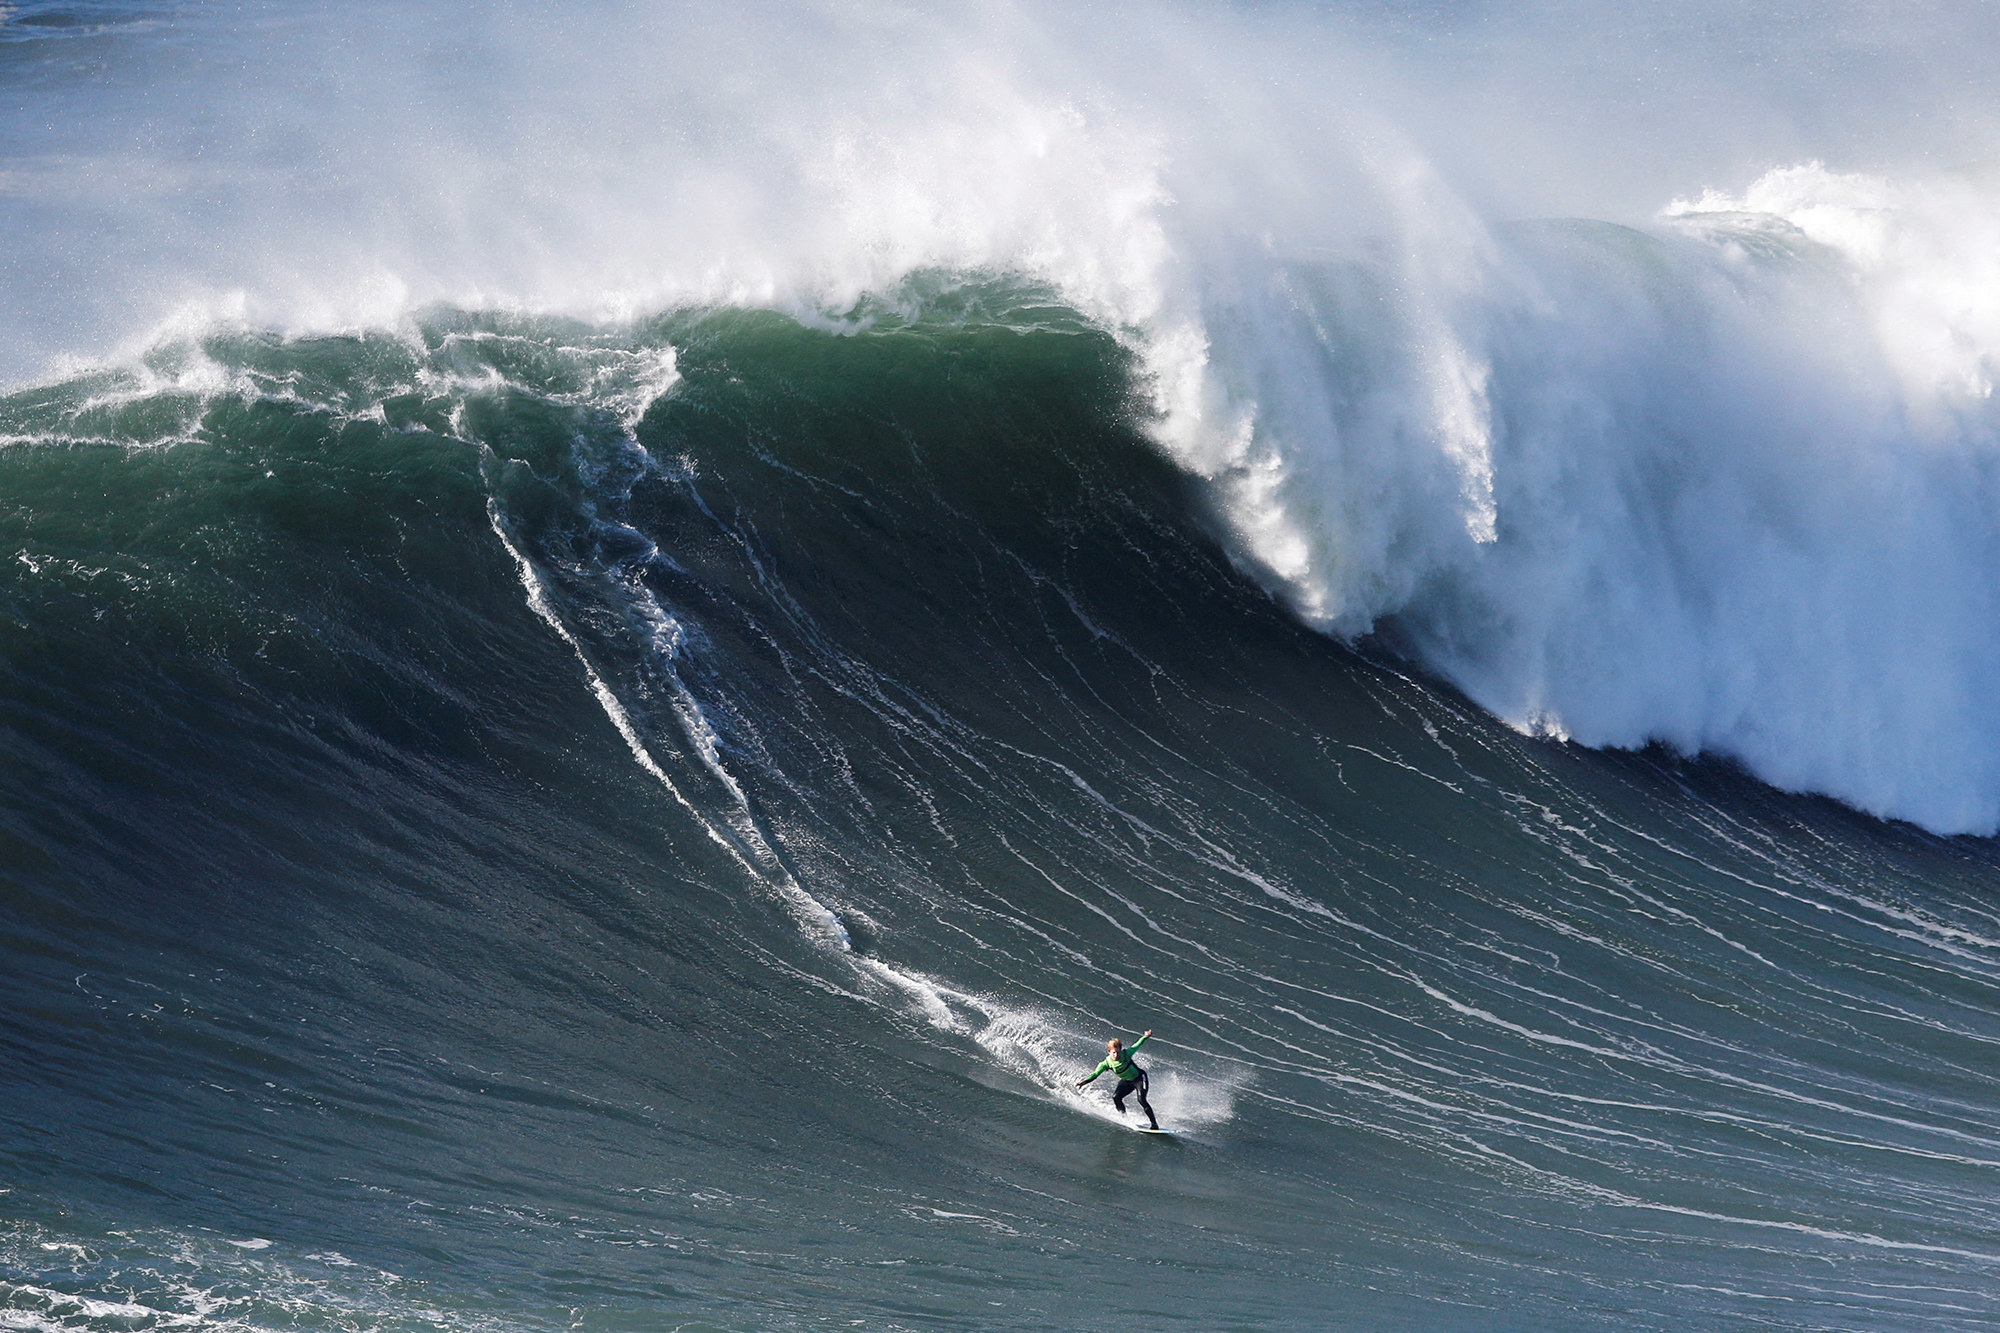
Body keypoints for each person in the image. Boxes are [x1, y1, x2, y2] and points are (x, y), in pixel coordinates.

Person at [1075, 1029, 1158, 1129]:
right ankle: (1124, 1119)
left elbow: (1137, 1044)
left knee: (1141, 1100)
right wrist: (1084, 1082)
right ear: (1109, 1051)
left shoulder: (1126, 1054)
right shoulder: (1106, 1063)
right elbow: (1095, 1074)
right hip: (1127, 1081)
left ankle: (1154, 1124)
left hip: (1139, 1078)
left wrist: (1145, 1036)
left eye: (1118, 1052)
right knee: (1116, 1097)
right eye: (1114, 1052)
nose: (1116, 1055)